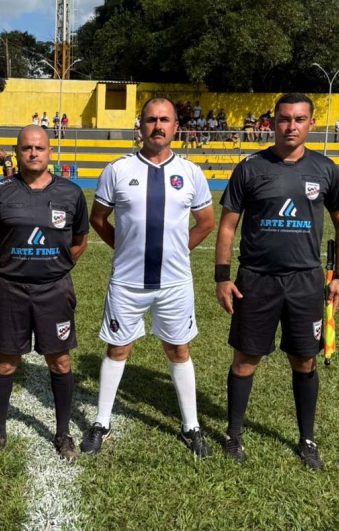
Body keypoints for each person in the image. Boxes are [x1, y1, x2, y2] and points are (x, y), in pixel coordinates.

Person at [214, 92, 339, 470]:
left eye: (299, 119)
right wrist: (222, 277)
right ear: (272, 123)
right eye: (284, 119)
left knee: (304, 361)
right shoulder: (250, 168)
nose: (291, 126)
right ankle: (234, 435)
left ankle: (307, 439)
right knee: (245, 359)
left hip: (306, 284)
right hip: (255, 280)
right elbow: (228, 226)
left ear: (311, 124)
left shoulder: (325, 170)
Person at [80, 98, 216, 458]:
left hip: (174, 284)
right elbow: (98, 219)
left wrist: (176, 251)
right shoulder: (117, 170)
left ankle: (192, 426)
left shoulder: (190, 172)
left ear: (176, 127)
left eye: (165, 120)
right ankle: (101, 422)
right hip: (127, 283)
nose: (158, 126)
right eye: (151, 119)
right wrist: (124, 249)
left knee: (178, 349)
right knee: (118, 348)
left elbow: (206, 224)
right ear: (140, 125)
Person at [0, 125, 89, 461]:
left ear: (50, 151)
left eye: (39, 147)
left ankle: (63, 433)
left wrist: (57, 266)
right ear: (17, 152)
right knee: (6, 361)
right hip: (11, 290)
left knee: (60, 361)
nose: (33, 153)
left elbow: (79, 242)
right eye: (26, 148)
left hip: (54, 291)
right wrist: (9, 267)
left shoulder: (71, 193)